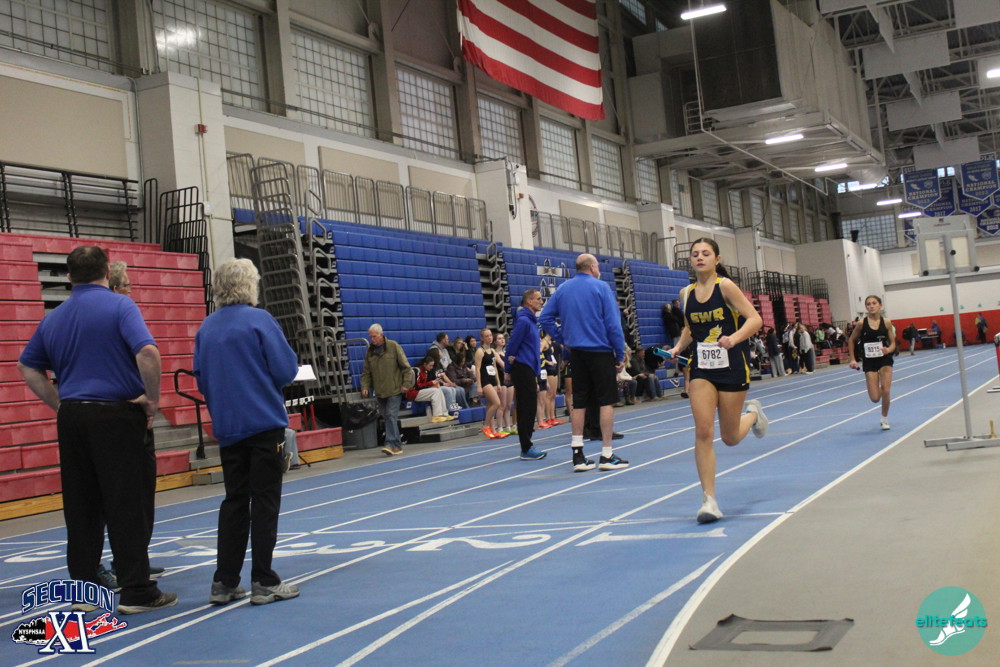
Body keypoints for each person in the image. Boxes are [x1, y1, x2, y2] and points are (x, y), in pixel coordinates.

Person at [18, 246, 177, 614]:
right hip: (117, 415)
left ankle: (84, 591)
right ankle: (137, 590)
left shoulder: (54, 318)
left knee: (81, 506)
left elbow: (27, 366)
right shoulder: (120, 306)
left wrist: (60, 404)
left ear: (69, 277)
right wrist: (152, 399)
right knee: (128, 503)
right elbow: (147, 353)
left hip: (73, 417)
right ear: (107, 271)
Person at [194, 258, 300, 607]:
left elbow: (201, 378)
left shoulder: (207, 327)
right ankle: (264, 580)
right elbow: (285, 370)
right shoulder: (259, 320)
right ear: (249, 285)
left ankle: (224, 581)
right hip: (262, 423)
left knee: (235, 501)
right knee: (265, 501)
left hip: (229, 426)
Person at [664, 238, 768, 524]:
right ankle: (708, 500)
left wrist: (733, 338)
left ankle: (753, 415)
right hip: (702, 369)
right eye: (695, 254)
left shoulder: (726, 287)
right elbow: (690, 327)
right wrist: (677, 347)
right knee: (703, 431)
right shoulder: (686, 293)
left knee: (730, 437)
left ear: (717, 259)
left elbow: (755, 320)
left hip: (732, 366)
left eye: (706, 253)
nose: (700, 258)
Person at [539, 253, 628, 472]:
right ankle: (606, 454)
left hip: (576, 353)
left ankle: (578, 454)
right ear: (592, 267)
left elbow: (545, 318)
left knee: (579, 402)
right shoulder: (601, 288)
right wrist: (619, 354)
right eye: (598, 267)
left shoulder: (563, 289)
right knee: (606, 401)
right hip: (601, 352)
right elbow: (613, 325)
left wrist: (563, 339)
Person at [361, 324, 414, 457]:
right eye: (370, 337)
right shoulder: (370, 352)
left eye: (374, 336)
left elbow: (406, 367)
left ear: (381, 335)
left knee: (390, 415)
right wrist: (365, 386)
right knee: (387, 417)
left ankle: (390, 443)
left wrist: (406, 384)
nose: (372, 339)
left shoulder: (393, 346)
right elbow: (366, 372)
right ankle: (397, 445)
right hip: (380, 391)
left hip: (395, 389)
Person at [506, 288, 546, 460]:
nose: (541, 302)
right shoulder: (523, 321)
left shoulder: (531, 322)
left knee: (530, 407)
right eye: (538, 299)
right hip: (522, 368)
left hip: (529, 369)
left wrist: (535, 375)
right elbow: (512, 345)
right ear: (529, 301)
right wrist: (508, 370)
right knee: (526, 408)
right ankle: (526, 447)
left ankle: (527, 445)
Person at [848, 295, 896, 431]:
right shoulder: (861, 323)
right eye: (868, 304)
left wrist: (888, 350)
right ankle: (879, 387)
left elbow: (893, 343)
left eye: (874, 303)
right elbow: (851, 340)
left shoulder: (886, 322)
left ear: (880, 305)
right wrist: (853, 359)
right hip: (869, 361)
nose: (871, 306)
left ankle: (884, 419)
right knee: (875, 398)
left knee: (886, 390)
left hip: (884, 359)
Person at [475, 329, 508, 439]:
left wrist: (498, 383)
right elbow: (477, 369)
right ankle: (485, 426)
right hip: (485, 380)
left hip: (493, 379)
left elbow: (495, 368)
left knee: (490, 405)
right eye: (487, 336)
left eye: (490, 335)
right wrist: (479, 386)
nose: (489, 337)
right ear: (482, 338)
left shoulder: (493, 351)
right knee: (496, 403)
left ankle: (493, 430)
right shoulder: (480, 351)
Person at [405, 357, 458, 423]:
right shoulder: (417, 371)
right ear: (425, 364)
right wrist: (431, 383)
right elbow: (417, 386)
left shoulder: (426, 371)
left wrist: (433, 384)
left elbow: (423, 385)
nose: (432, 367)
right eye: (430, 365)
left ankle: (445, 414)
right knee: (435, 391)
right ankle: (436, 416)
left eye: (432, 365)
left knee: (438, 389)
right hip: (413, 393)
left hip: (419, 392)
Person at [494, 332, 514, 434]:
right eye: (499, 338)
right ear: (495, 342)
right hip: (502, 380)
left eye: (503, 338)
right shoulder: (495, 353)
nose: (502, 340)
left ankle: (508, 426)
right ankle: (499, 427)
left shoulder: (506, 352)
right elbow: (504, 365)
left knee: (508, 405)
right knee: (502, 405)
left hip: (510, 381)